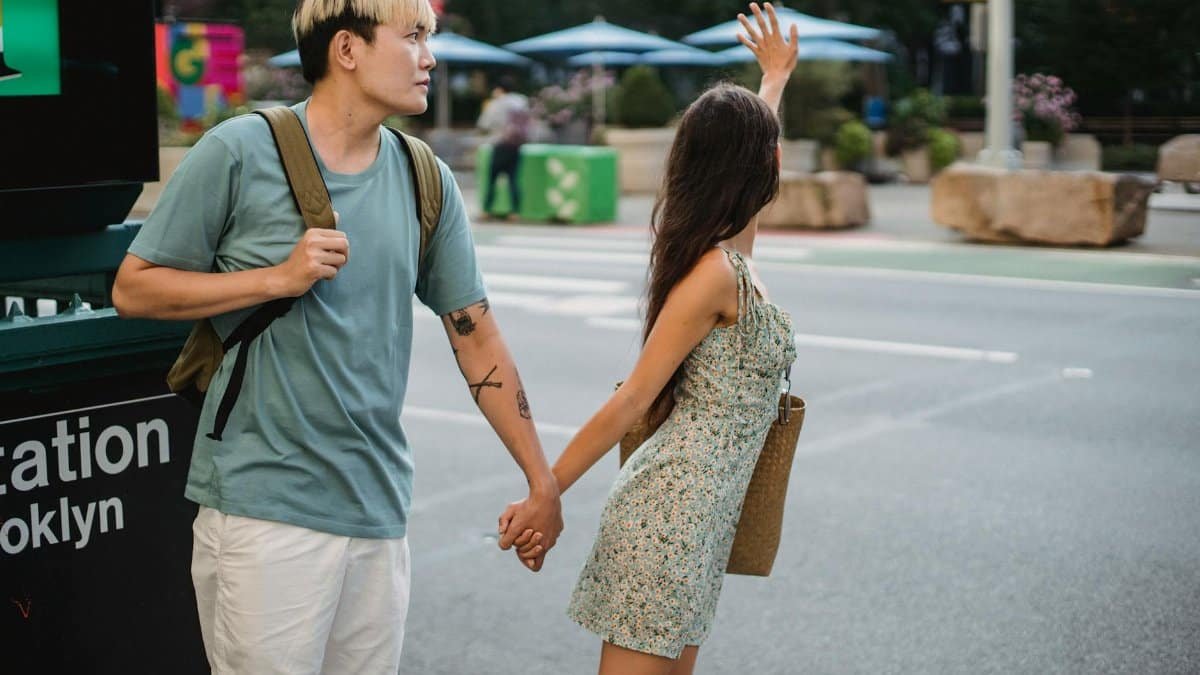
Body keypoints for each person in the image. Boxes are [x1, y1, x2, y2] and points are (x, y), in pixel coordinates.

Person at [110, 1, 561, 672]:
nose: (429, 58)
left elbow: (477, 337)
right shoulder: (238, 150)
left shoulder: (423, 177)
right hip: (265, 513)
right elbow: (134, 287)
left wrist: (541, 479)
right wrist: (274, 279)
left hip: (378, 511)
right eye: (413, 38)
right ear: (347, 50)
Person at [499, 4, 800, 674]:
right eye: (772, 146)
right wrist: (547, 490)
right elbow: (632, 399)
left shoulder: (732, 257)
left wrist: (773, 79)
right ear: (758, 164)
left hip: (701, 526)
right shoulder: (715, 275)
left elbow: (752, 146)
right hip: (665, 520)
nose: (780, 152)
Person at [476, 75, 530, 220]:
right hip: (517, 145)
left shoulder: (497, 103)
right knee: (513, 179)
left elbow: (484, 124)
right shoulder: (522, 101)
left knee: (492, 178)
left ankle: (486, 210)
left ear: (499, 89)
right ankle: (515, 212)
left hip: (500, 144)